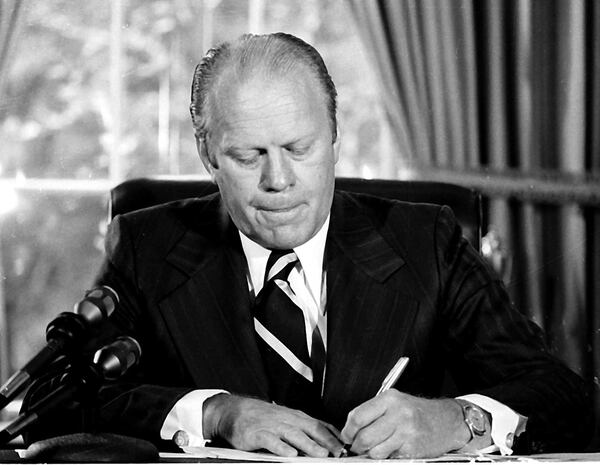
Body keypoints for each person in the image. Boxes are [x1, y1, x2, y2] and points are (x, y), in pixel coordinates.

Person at [85, 33, 590, 458]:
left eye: (299, 149)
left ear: (334, 139)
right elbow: (61, 401)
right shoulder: (146, 245)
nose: (277, 179)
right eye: (247, 155)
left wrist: (461, 421)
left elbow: (566, 397)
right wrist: (216, 413)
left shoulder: (426, 241)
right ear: (208, 155)